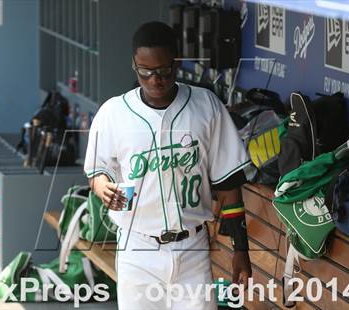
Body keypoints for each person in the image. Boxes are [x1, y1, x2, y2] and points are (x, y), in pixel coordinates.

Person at [84, 21, 252, 310]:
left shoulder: (206, 105)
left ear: (177, 62)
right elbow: (97, 170)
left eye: (163, 71)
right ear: (134, 65)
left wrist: (241, 250)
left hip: (192, 249)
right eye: (145, 72)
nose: (154, 80)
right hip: (137, 249)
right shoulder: (114, 112)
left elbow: (228, 184)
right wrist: (101, 185)